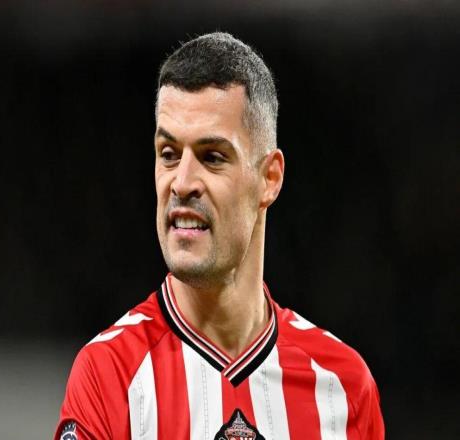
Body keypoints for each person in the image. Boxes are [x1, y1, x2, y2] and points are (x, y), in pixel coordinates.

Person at [55, 32, 384, 440]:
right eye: (169, 154)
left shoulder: (342, 389)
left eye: (212, 157)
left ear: (269, 178)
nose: (181, 183)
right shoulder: (110, 375)